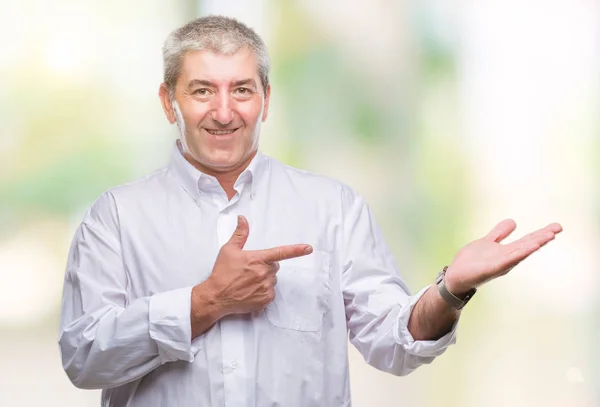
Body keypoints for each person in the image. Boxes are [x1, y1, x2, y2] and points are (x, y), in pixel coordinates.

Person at [58, 15, 562, 407]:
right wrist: (204, 302)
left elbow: (393, 343)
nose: (225, 111)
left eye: (242, 89)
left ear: (266, 99)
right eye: (202, 90)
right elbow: (83, 357)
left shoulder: (333, 208)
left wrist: (451, 289)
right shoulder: (115, 218)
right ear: (169, 103)